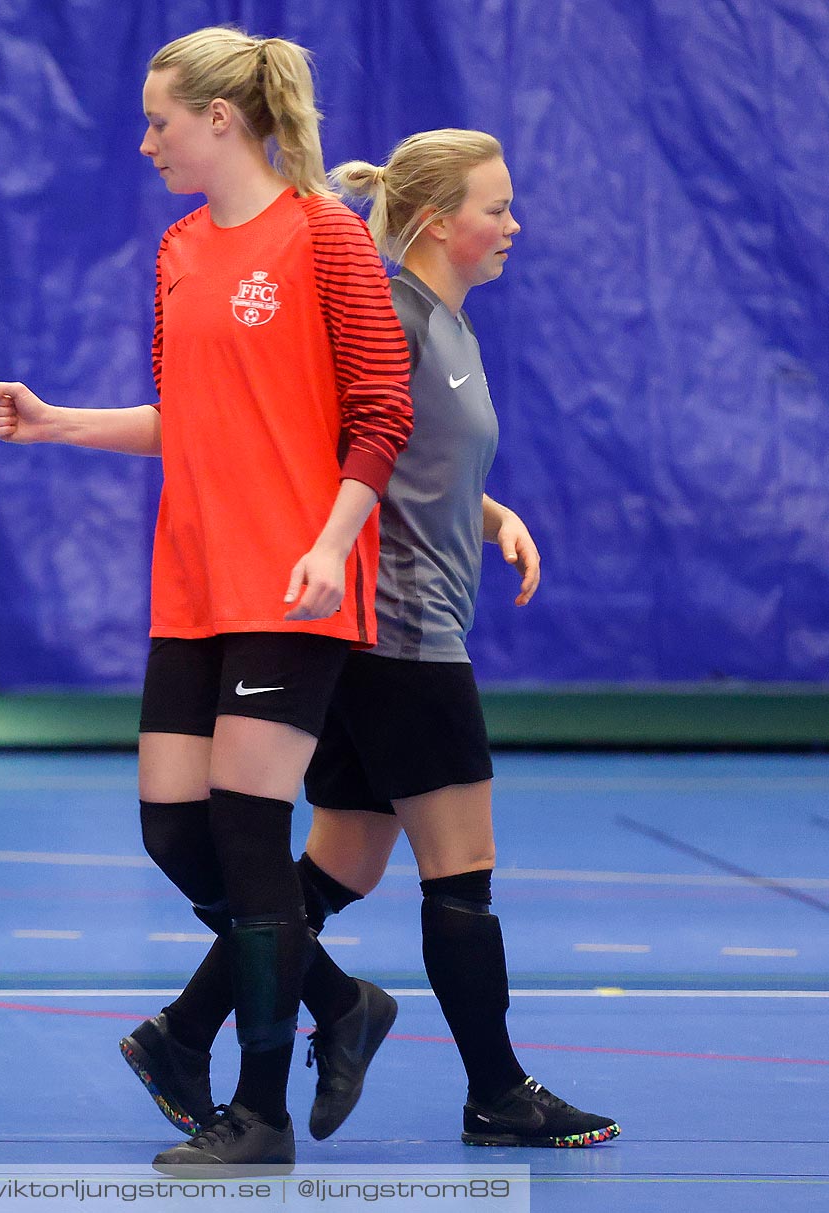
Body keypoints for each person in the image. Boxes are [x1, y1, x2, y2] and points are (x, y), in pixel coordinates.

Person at [0, 26, 412, 1168]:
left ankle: (259, 1112)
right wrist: (61, 421)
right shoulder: (178, 249)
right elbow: (191, 420)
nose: (146, 140)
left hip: (297, 574)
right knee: (173, 823)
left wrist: (332, 543)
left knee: (246, 825)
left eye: (160, 120)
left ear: (222, 119)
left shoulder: (326, 235)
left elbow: (380, 415)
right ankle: (339, 998)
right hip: (196, 580)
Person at [284, 130, 616, 1148]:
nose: (514, 225)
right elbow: (340, 452)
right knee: (461, 867)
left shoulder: (453, 330)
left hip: (393, 637)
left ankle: (182, 1028)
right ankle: (498, 1091)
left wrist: (491, 510)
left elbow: (415, 462)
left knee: (337, 868)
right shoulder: (391, 316)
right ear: (436, 223)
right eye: (496, 208)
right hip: (403, 639)